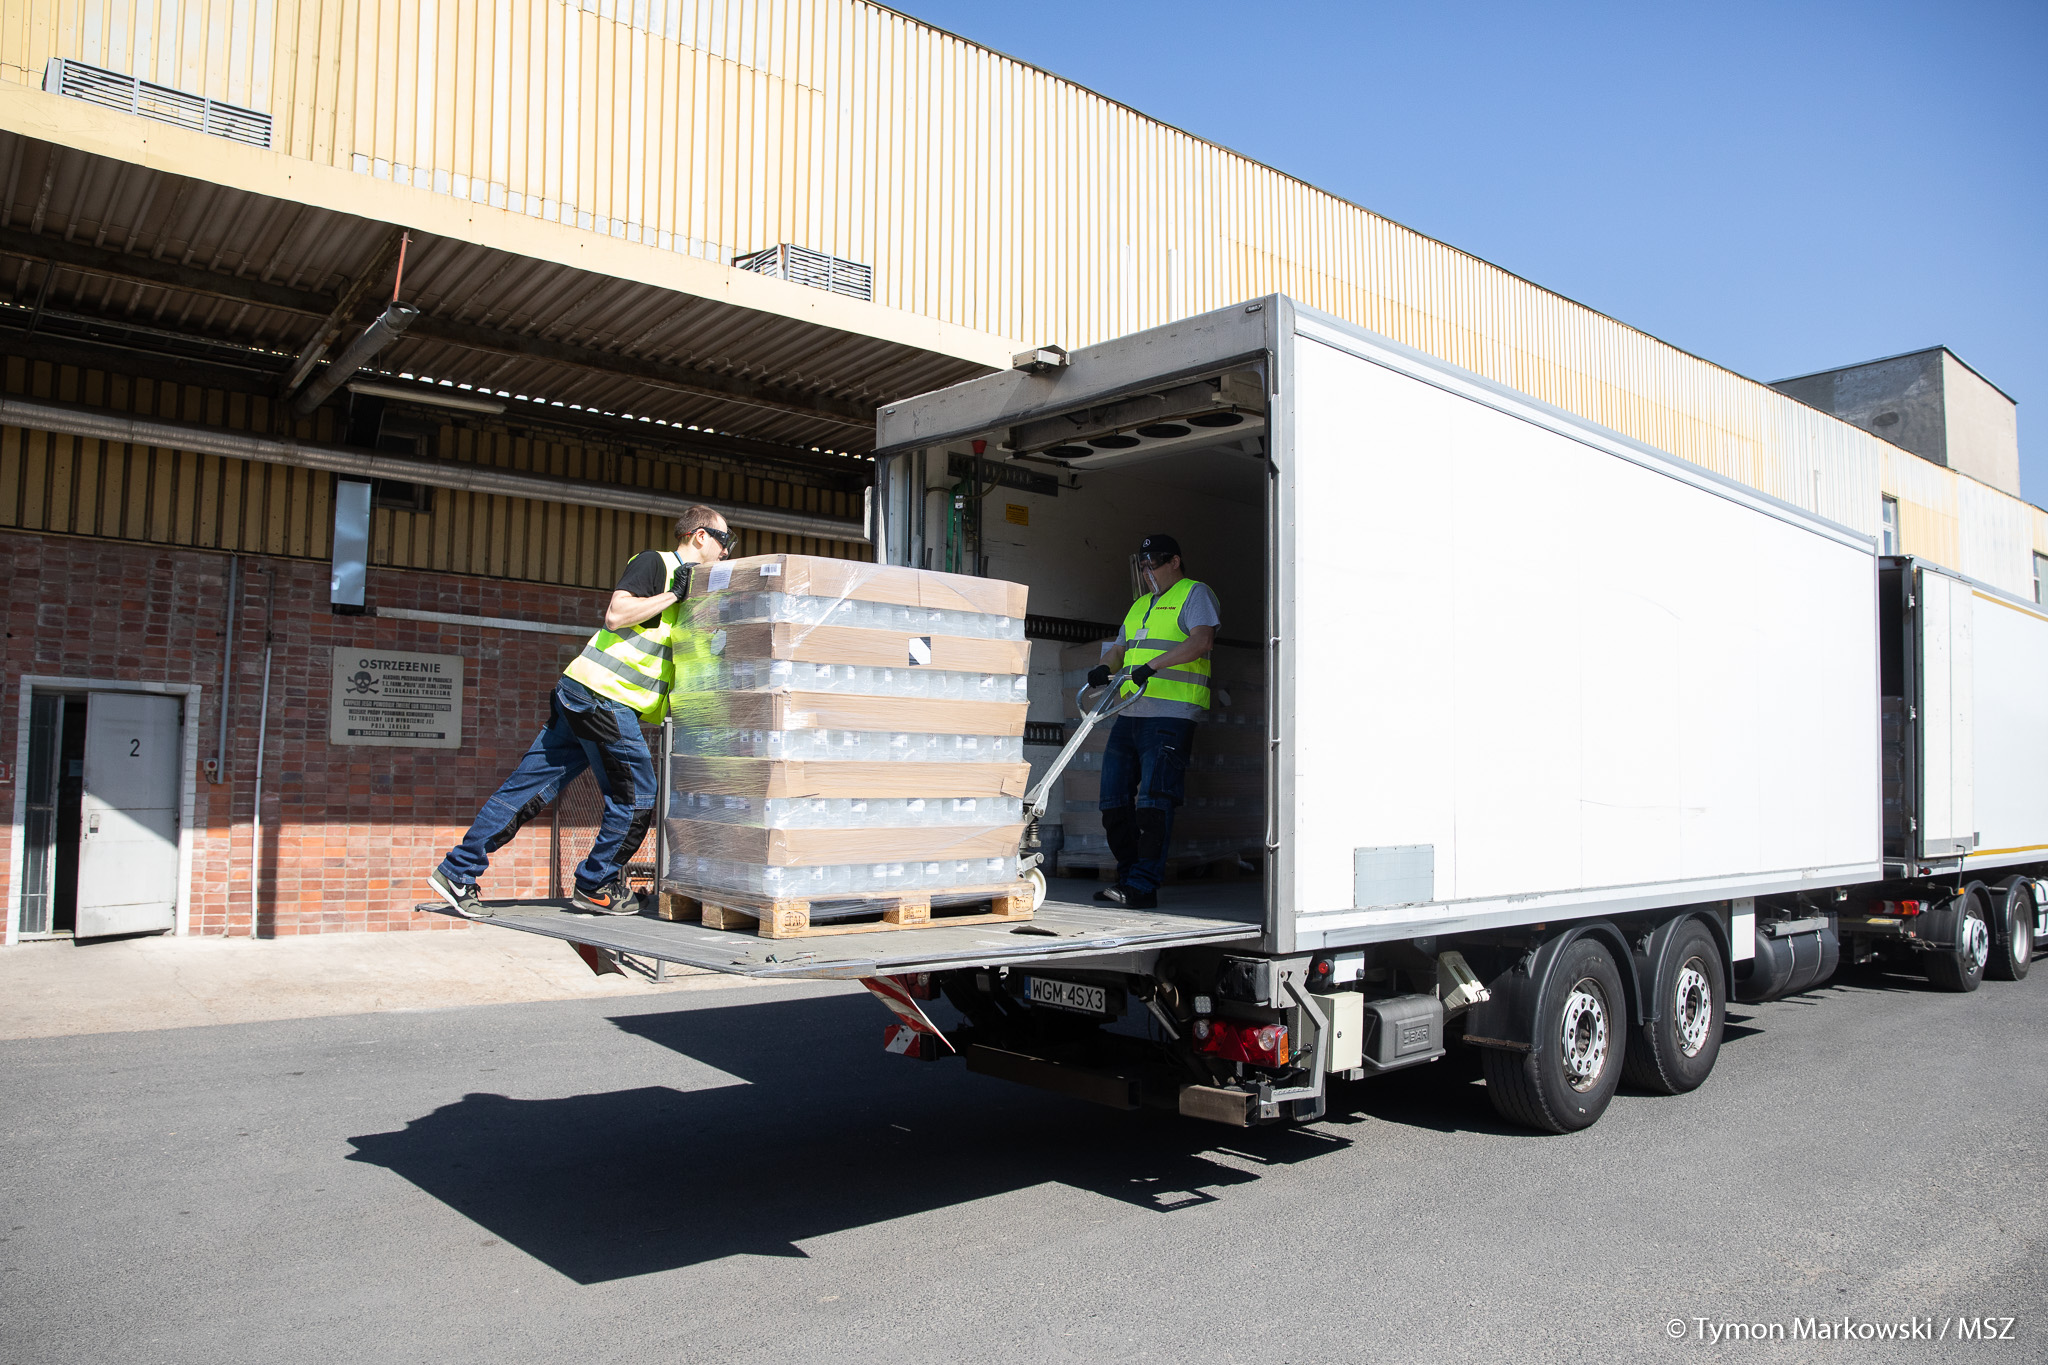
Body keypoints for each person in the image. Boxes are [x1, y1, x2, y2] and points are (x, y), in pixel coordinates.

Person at [427, 505, 733, 919]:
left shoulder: (692, 592)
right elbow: (616, 615)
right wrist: (673, 594)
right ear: (699, 536)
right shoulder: (656, 564)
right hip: (603, 698)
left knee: (527, 789)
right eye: (724, 541)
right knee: (637, 797)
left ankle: (457, 871)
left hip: (586, 695)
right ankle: (595, 885)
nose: (726, 552)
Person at [1084, 533, 1219, 909]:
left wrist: (1152, 666)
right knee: (1112, 801)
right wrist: (1103, 667)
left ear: (1174, 562)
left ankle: (1143, 886)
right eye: (1142, 567)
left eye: (1153, 565)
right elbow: (1119, 648)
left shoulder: (1195, 594)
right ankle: (1127, 878)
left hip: (1170, 716)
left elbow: (1201, 641)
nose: (1147, 573)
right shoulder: (1140, 605)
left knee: (1153, 803)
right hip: (1129, 713)